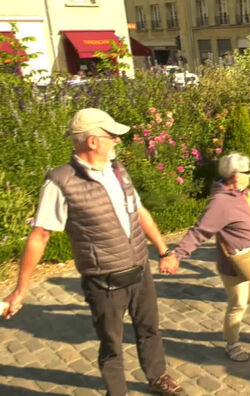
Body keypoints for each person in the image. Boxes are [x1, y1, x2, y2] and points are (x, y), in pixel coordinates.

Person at [2, 108, 183, 396]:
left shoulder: (118, 170)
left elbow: (140, 211)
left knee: (150, 328)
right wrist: (21, 290)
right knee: (111, 344)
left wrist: (163, 249)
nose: (117, 140)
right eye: (112, 135)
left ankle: (157, 375)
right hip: (104, 281)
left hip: (139, 269)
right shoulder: (59, 183)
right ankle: (117, 392)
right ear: (93, 141)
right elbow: (40, 236)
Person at [160, 153, 250, 362]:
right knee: (238, 305)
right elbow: (200, 232)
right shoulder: (220, 203)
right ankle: (232, 343)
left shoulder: (246, 194)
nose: (249, 176)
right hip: (234, 264)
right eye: (247, 173)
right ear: (236, 176)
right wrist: (177, 255)